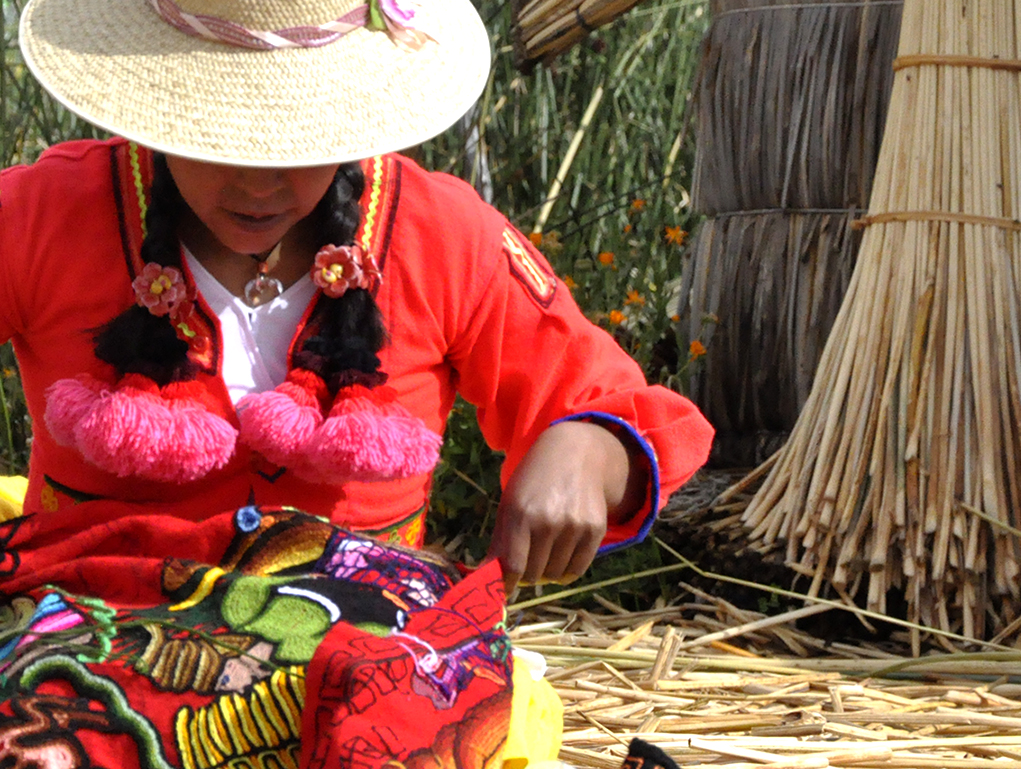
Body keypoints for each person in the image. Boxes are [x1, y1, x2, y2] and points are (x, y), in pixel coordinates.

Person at [0, 0, 714, 596]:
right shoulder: (44, 216)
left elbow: (617, 406)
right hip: (90, 666)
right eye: (218, 136)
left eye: (299, 140)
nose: (258, 183)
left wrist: (587, 450)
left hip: (357, 669)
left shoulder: (444, 238)